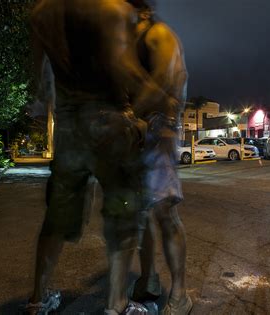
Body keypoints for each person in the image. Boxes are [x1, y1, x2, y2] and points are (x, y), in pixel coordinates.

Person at [26, 0, 178, 314]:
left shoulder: (42, 12)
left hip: (68, 127)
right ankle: (117, 304)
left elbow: (40, 82)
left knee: (55, 219)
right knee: (121, 215)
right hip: (109, 125)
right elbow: (122, 68)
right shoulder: (111, 9)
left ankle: (37, 300)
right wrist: (157, 99)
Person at [126, 1, 192, 314]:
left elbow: (165, 82)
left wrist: (129, 114)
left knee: (165, 213)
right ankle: (148, 279)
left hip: (159, 133)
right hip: (142, 134)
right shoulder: (136, 40)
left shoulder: (159, 35)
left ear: (142, 12)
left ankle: (180, 295)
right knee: (142, 212)